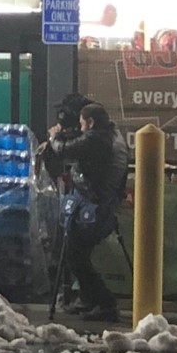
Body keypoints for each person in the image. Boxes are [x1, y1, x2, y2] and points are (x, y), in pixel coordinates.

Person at [46, 102, 128, 321]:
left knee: (75, 254)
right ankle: (89, 298)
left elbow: (67, 150)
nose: (80, 129)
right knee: (77, 253)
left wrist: (55, 138)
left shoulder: (97, 139)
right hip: (99, 204)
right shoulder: (109, 135)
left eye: (82, 124)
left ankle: (105, 302)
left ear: (90, 122)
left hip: (96, 208)